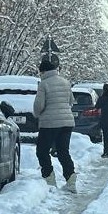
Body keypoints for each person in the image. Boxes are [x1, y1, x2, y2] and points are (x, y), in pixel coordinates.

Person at [32, 58, 77, 193]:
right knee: (63, 151)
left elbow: (38, 106)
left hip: (49, 124)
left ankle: (49, 180)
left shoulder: (44, 84)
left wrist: (37, 114)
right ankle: (71, 180)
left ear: (43, 71)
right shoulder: (65, 82)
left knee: (42, 151)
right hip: (67, 122)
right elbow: (71, 102)